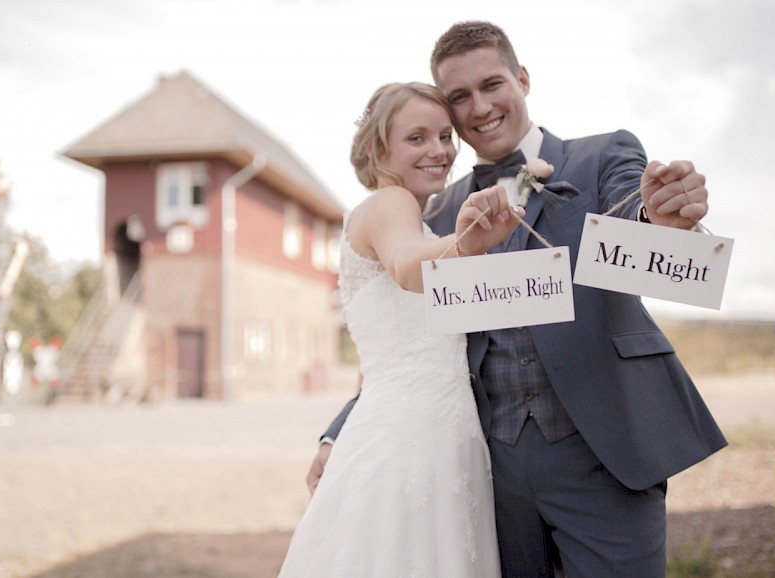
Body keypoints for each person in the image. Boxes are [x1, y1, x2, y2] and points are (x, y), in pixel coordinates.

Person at [308, 21, 727, 577]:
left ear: (522, 79)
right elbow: (408, 334)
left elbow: (633, 209)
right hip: (488, 469)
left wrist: (658, 215)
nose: (478, 107)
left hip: (603, 452)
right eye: (459, 97)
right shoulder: (433, 207)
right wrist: (342, 429)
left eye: (492, 84)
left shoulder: (601, 154)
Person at [278, 81, 524, 577]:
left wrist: (334, 436)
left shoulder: (405, 213)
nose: (438, 151)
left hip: (417, 429)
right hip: (414, 440)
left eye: (443, 136)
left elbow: (381, 361)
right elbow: (410, 267)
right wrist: (467, 243)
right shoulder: (391, 205)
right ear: (378, 148)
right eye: (417, 138)